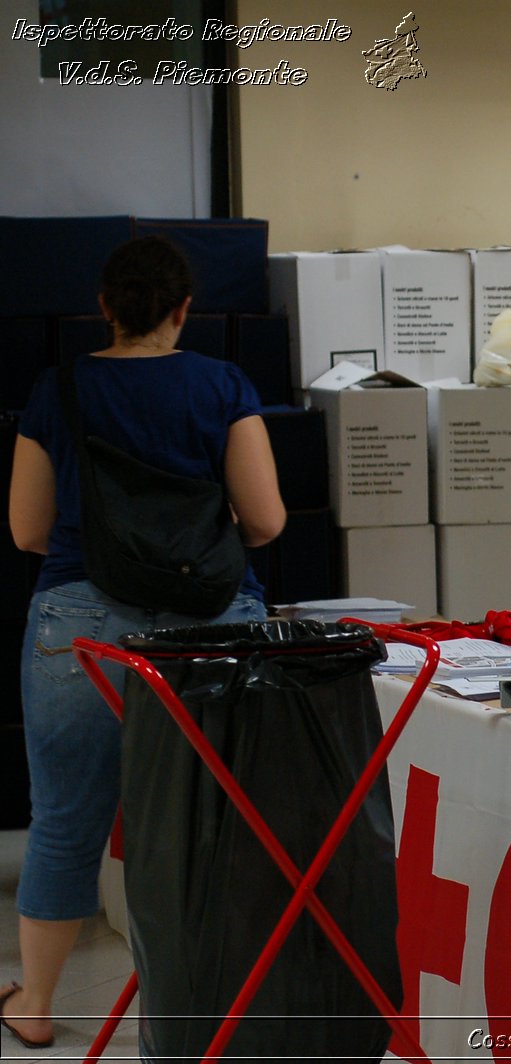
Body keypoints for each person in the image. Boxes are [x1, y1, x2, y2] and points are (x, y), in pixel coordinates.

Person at [2, 236, 286, 1049]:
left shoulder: (57, 390)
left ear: (104, 308)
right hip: (211, 628)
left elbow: (25, 529)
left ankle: (37, 1006)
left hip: (79, 626)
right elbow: (265, 522)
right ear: (182, 309)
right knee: (215, 821)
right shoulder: (224, 384)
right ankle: (219, 1005)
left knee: (63, 822)